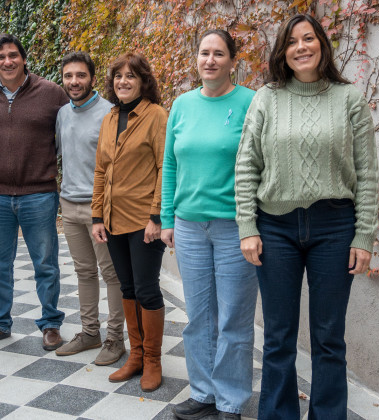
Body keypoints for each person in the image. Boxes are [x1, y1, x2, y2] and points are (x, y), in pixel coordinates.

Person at [235, 14, 379, 420]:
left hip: (335, 227)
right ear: (283, 51)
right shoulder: (267, 98)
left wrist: (363, 236)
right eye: (292, 41)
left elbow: (367, 172)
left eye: (309, 39)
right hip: (275, 227)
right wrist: (248, 226)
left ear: (322, 45)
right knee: (279, 337)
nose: (301, 47)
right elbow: (246, 166)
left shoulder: (349, 98)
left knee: (329, 338)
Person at [160, 30, 257, 420]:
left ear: (233, 60)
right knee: (199, 315)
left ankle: (230, 401)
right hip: (188, 227)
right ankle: (202, 393)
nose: (210, 60)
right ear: (196, 59)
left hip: (234, 226)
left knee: (234, 316)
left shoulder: (251, 102)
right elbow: (170, 164)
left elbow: (259, 165)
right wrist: (167, 218)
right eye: (204, 53)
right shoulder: (181, 105)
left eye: (219, 54)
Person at [0, 33, 69, 351]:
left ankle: (51, 324)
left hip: (39, 193)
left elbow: (73, 131)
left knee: (45, 263)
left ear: (24, 58)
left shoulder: (52, 93)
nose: (7, 61)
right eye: (0, 57)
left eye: (13, 55)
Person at [91, 52, 168, 392]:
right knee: (127, 288)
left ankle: (152, 360)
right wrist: (96, 215)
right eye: (118, 76)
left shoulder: (155, 116)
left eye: (131, 76)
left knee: (147, 288)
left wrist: (157, 216)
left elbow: (166, 168)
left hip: (143, 221)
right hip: (112, 219)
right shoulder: (109, 118)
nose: (123, 81)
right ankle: (134, 355)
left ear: (143, 81)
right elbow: (101, 169)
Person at [54, 51, 125, 365]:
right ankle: (89, 332)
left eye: (80, 75)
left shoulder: (111, 113)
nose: (74, 82)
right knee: (84, 272)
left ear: (93, 79)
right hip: (69, 206)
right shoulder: (62, 114)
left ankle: (115, 338)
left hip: (102, 210)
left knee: (111, 274)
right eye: (68, 76)